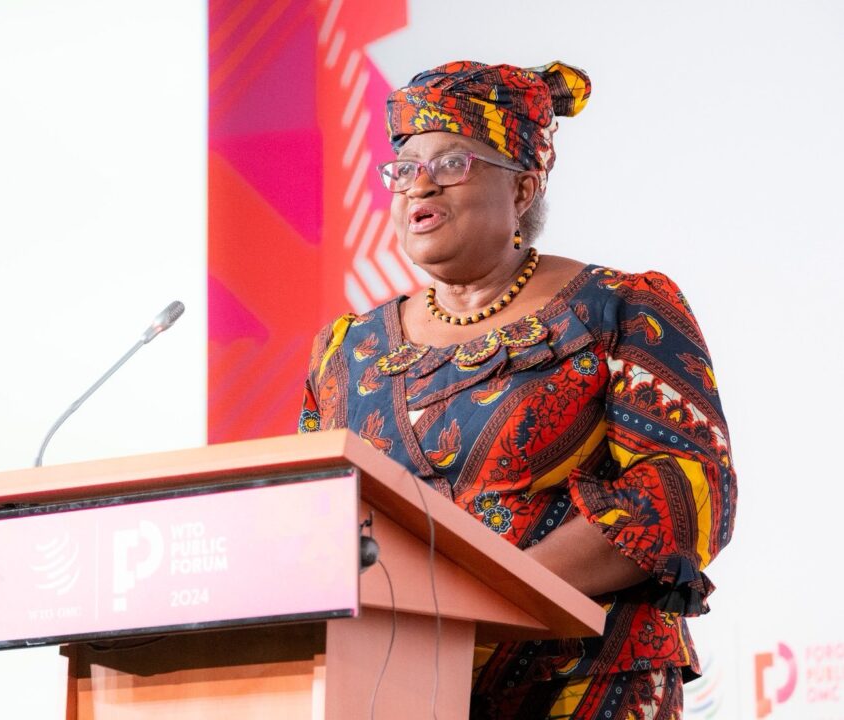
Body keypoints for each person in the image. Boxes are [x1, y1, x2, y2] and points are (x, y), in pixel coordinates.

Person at [298, 60, 736, 719]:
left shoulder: (618, 309)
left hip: (582, 683)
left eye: (450, 163)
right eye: (403, 165)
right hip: (395, 688)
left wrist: (475, 600)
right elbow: (309, 522)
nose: (418, 183)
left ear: (523, 188)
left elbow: (682, 495)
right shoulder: (346, 352)